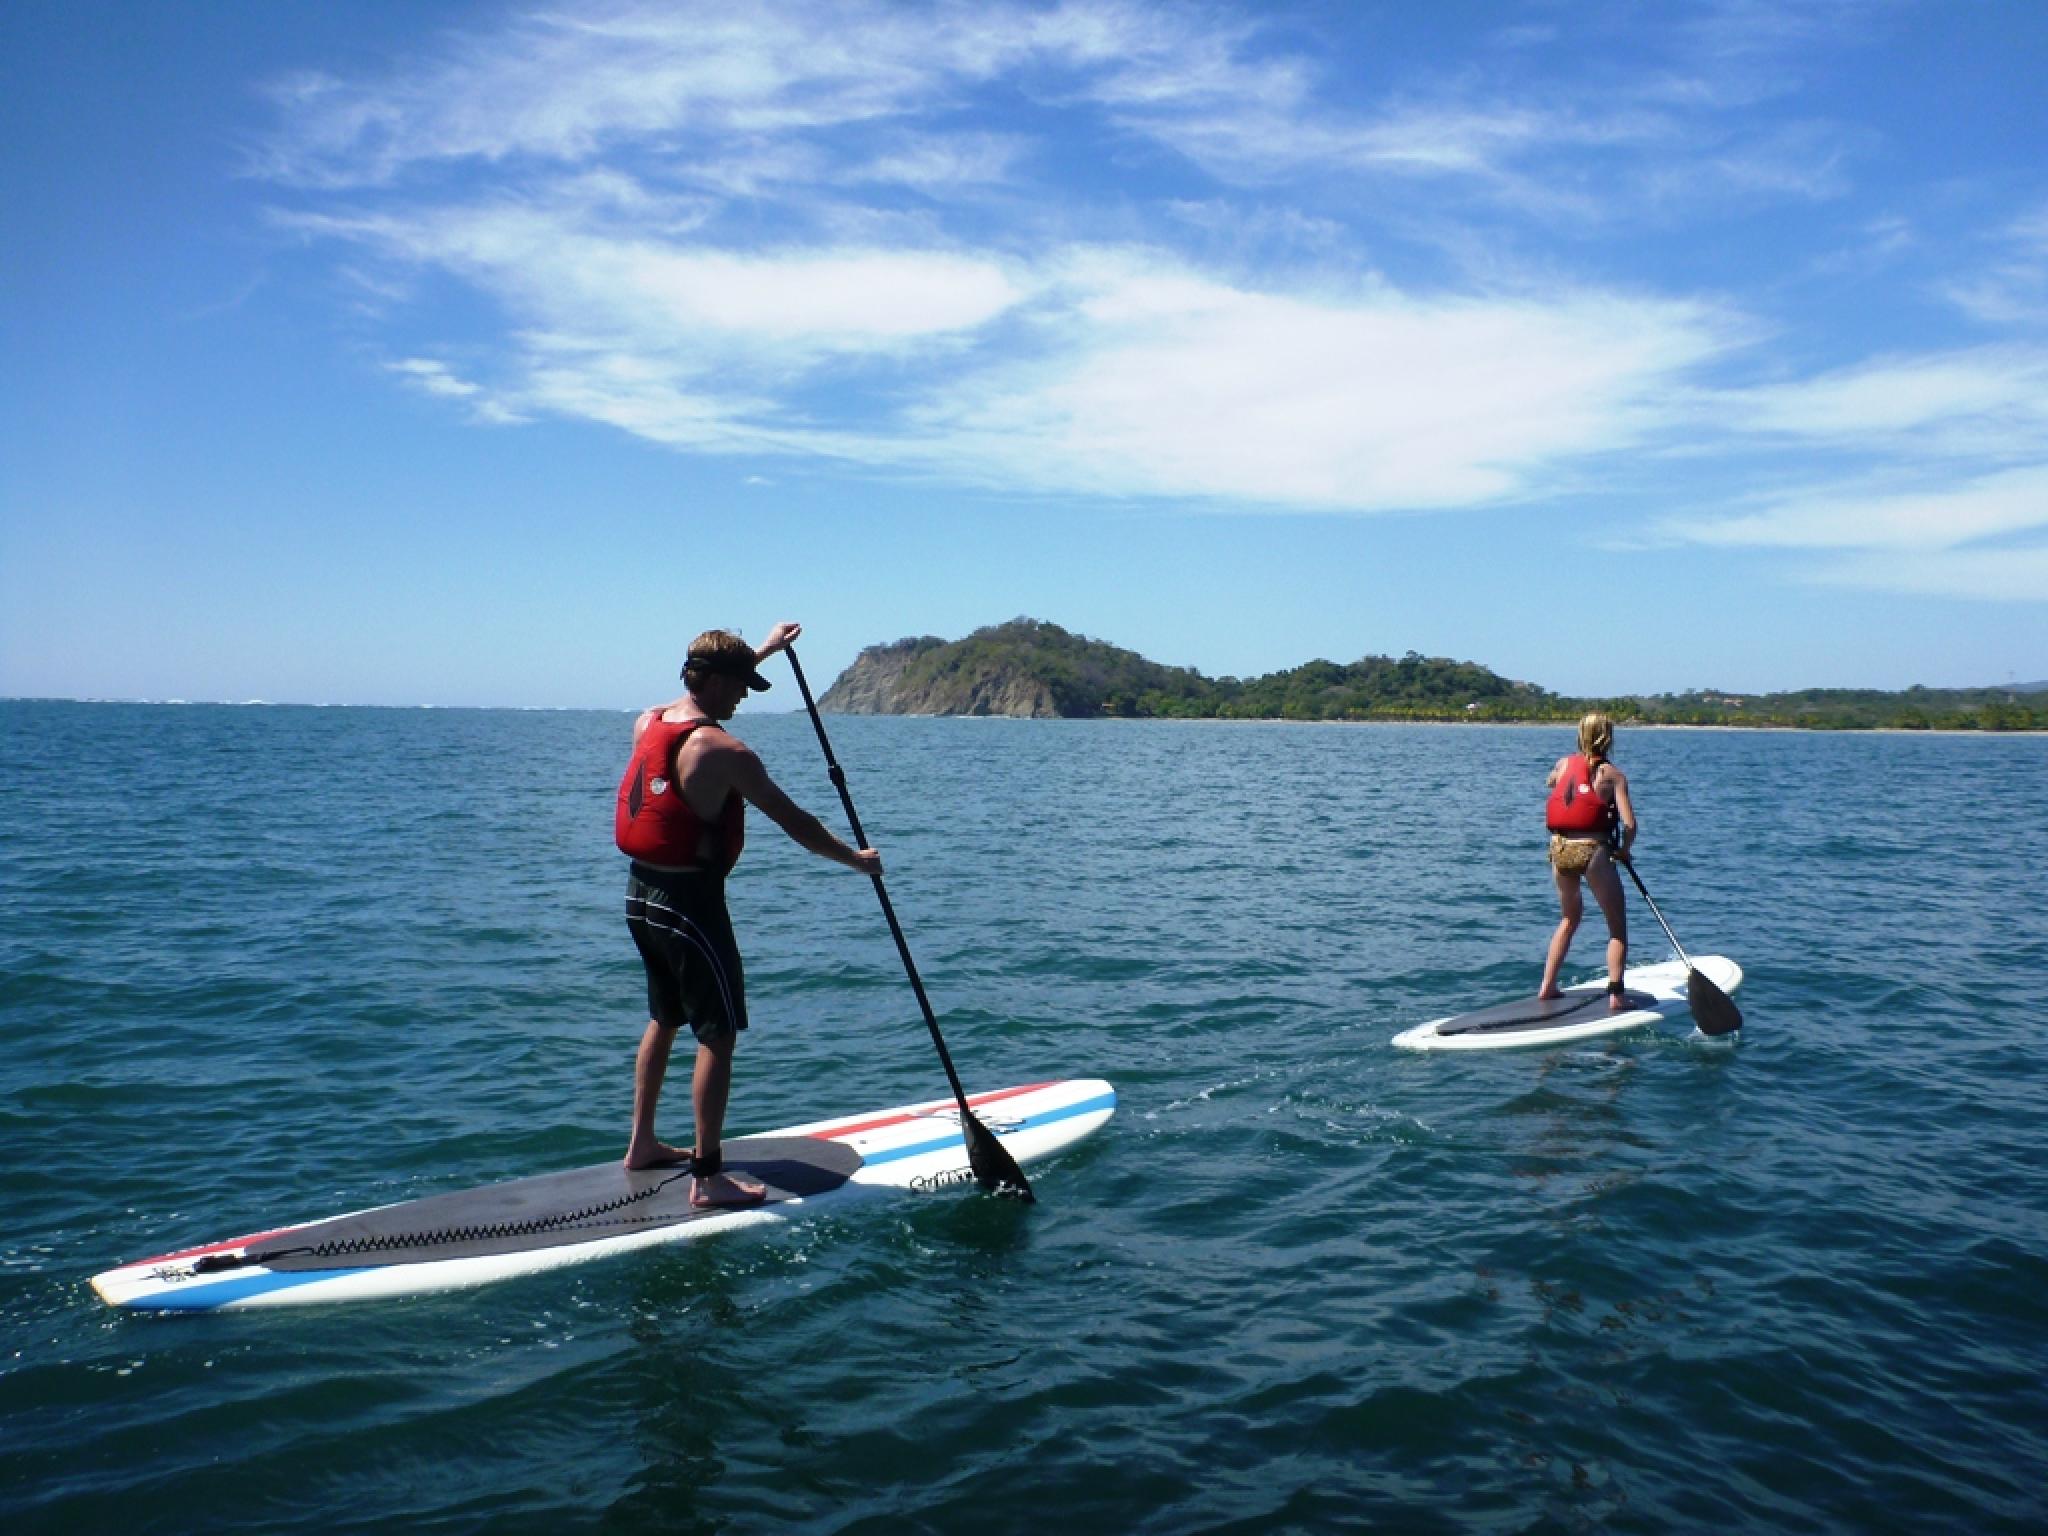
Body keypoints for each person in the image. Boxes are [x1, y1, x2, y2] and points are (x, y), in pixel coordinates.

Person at [614, 621, 881, 1204]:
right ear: (714, 682)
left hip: (640, 899)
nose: (744, 698)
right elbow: (795, 821)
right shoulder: (727, 752)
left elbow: (708, 685)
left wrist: (761, 650)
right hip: (690, 908)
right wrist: (854, 861)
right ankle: (708, 1177)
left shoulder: (649, 720)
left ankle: (642, 1144)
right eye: (740, 687)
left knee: (665, 1017)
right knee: (719, 1035)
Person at [1538, 711, 1637, 1012]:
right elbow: (1630, 825)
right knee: (1616, 927)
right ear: (1608, 737)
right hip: (1593, 851)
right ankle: (1617, 996)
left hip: (1560, 849)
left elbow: (1553, 782)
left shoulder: (1563, 763)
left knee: (1569, 918)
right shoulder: (1613, 776)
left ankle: (1548, 986)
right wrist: (1623, 850)